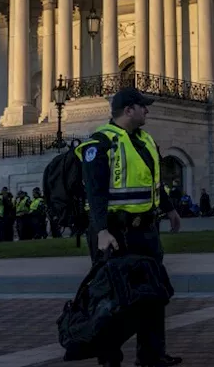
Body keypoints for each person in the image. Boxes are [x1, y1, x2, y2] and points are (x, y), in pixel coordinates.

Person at [76, 87, 183, 367]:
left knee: (154, 293)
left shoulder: (146, 140)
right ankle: (109, 358)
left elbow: (154, 182)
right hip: (114, 231)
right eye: (143, 106)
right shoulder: (100, 144)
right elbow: (95, 193)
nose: (147, 110)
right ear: (128, 110)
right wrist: (101, 231)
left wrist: (169, 209)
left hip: (145, 230)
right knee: (113, 298)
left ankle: (152, 355)